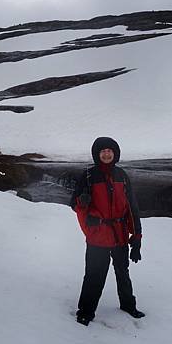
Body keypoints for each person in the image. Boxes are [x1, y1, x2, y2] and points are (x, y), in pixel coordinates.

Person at [70, 136, 144, 326]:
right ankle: (85, 312)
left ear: (115, 153)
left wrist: (136, 237)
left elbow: (132, 208)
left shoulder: (122, 176)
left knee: (123, 272)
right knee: (94, 274)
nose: (106, 153)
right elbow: (74, 203)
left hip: (119, 235)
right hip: (98, 235)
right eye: (102, 151)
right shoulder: (88, 176)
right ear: (97, 154)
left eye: (109, 150)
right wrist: (81, 201)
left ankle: (128, 305)